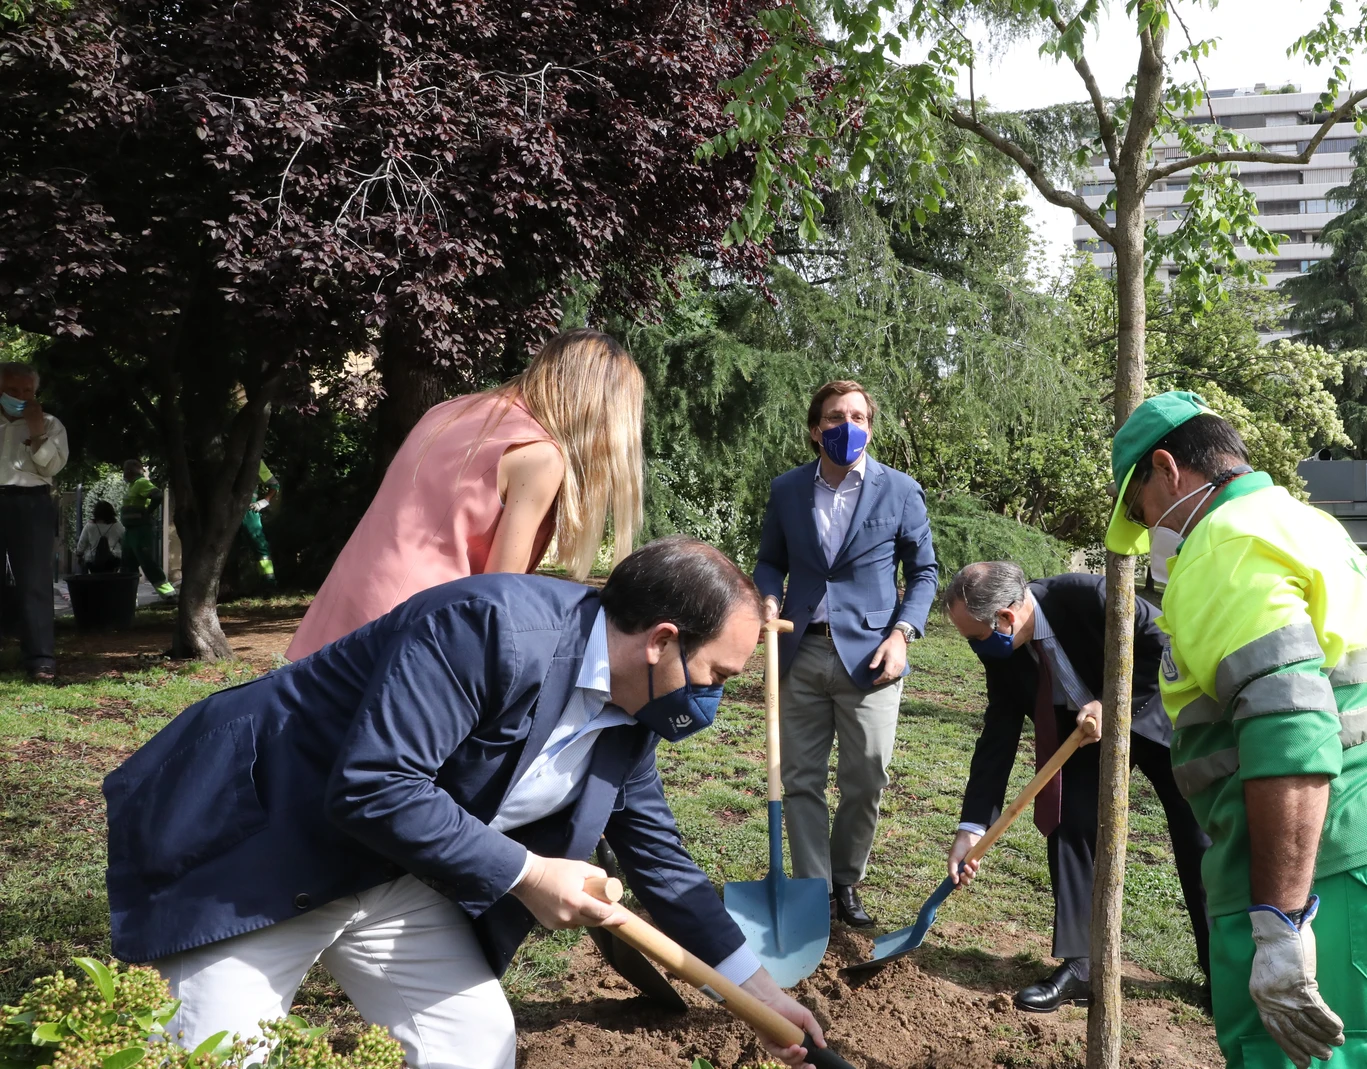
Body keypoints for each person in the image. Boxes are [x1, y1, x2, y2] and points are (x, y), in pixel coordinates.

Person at [104, 536, 830, 1068]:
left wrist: (757, 991)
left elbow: (664, 865)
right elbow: (374, 784)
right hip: (259, 846)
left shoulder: (628, 718)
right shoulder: (489, 629)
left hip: (387, 875)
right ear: (661, 640)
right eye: (714, 674)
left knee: (475, 1047)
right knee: (212, 1056)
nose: (715, 697)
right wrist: (529, 872)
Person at [1105, 392, 1367, 1069]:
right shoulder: (1305, 523)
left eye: (1143, 511)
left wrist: (1280, 925)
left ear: (1168, 469)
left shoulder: (1221, 544)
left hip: (1339, 877)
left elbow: (1291, 724)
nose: (1151, 531)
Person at [942, 562, 1211, 1012]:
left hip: (1160, 719)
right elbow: (997, 739)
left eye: (974, 637)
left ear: (1006, 618)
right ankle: (1083, 966)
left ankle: (1223, 972)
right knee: (1070, 820)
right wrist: (971, 828)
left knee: (1198, 836)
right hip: (1085, 735)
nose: (974, 649)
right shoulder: (1003, 656)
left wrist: (1115, 702)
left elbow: (1165, 646)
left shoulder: (1090, 596)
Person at [288, 329, 644, 659]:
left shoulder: (449, 411)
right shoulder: (539, 453)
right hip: (413, 631)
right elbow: (500, 594)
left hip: (345, 601)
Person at [754, 380, 938, 927]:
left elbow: (924, 572)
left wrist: (903, 634)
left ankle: (845, 879)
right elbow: (770, 560)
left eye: (859, 417)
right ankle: (814, 893)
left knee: (867, 778)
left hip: (873, 659)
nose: (848, 426)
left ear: (870, 427)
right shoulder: (788, 489)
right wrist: (766, 597)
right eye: (836, 417)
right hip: (799, 650)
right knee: (801, 779)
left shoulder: (900, 490)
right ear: (817, 430)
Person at [0, 362, 69, 682]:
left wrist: (36, 430)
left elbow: (50, 468)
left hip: (31, 502)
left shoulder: (51, 424)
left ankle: (41, 660)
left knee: (34, 582)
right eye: (12, 390)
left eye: (27, 390)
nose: (20, 396)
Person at [119, 460, 176, 599]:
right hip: (131, 531)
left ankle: (169, 594)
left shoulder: (141, 483)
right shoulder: (132, 486)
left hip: (140, 531)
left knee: (147, 562)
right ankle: (129, 597)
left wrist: (148, 512)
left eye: (125, 470)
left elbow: (157, 495)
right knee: (127, 565)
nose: (124, 473)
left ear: (130, 471)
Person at [241, 461, 280, 586]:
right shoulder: (222, 457)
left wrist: (264, 501)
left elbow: (274, 485)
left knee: (260, 544)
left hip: (248, 508)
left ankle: (268, 582)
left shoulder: (256, 461)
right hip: (226, 508)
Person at [77, 500, 126, 574]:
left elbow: (82, 543)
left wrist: (79, 555)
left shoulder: (89, 526)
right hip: (114, 560)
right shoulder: (117, 526)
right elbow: (125, 542)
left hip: (92, 561)